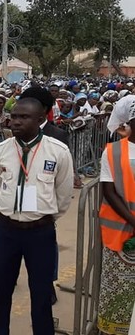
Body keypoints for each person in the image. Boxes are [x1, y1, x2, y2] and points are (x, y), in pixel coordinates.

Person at [0, 97, 73, 335]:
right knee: (2, 292)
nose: (15, 122)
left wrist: (44, 218)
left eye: (23, 117)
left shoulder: (58, 151)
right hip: (7, 231)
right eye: (14, 116)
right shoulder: (1, 150)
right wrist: (10, 210)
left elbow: (64, 193)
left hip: (41, 232)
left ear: (40, 120)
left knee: (41, 294)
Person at [97, 102, 135, 335]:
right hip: (119, 233)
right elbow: (109, 191)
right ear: (130, 122)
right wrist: (132, 221)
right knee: (118, 287)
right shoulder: (112, 151)